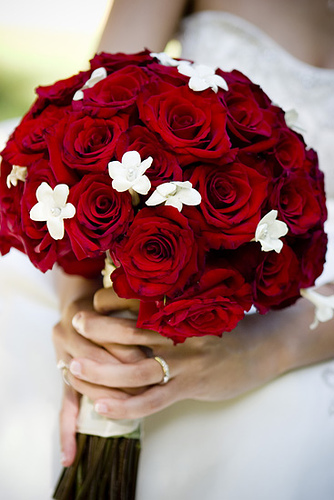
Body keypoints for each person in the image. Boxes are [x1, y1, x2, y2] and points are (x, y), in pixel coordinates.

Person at [1, 0, 334, 498]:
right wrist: (85, 314)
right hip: (136, 251)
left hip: (291, 280)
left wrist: (269, 349)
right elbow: (94, 104)